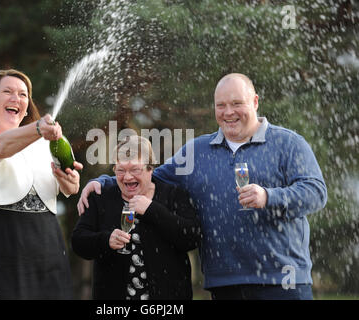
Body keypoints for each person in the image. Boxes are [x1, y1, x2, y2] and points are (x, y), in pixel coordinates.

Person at [77, 73, 327, 300]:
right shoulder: (196, 152)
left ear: (255, 102)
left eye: (237, 103)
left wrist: (268, 196)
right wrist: (105, 181)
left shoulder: (288, 143)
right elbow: (150, 175)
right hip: (224, 283)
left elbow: (316, 192)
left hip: (283, 281)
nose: (228, 112)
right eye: (221, 105)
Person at [0, 69, 82, 299]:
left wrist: (71, 181)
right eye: (8, 91)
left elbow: (71, 186)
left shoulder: (48, 142)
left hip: (47, 243)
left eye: (23, 95)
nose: (17, 98)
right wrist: (36, 129)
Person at [71, 135, 201, 300]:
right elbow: (78, 241)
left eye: (135, 170)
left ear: (150, 169)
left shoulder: (174, 195)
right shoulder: (101, 197)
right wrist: (105, 240)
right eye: (121, 170)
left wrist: (152, 210)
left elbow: (192, 237)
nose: (127, 177)